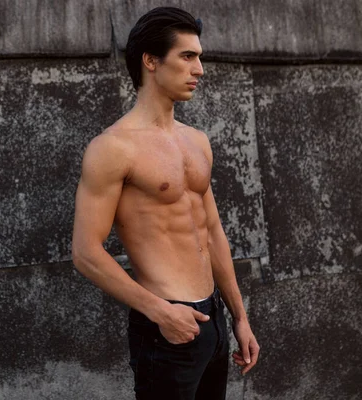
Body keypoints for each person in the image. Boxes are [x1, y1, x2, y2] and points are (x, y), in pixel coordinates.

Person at [71, 6, 259, 400]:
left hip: (214, 321)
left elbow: (212, 231)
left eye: (199, 57)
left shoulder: (197, 141)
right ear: (151, 61)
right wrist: (160, 312)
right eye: (187, 57)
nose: (200, 69)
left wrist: (239, 317)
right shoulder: (113, 148)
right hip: (165, 325)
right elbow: (86, 253)